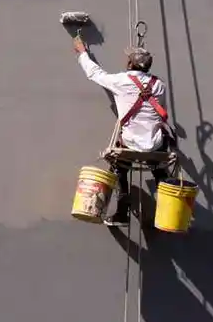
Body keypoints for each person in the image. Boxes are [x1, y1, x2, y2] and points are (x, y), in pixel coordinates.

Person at [69, 24, 176, 227]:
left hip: (131, 143)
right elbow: (159, 111)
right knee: (160, 167)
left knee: (119, 167)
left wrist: (83, 53)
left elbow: (95, 74)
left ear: (130, 64)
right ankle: (168, 213)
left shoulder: (121, 81)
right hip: (154, 145)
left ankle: (121, 213)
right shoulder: (159, 85)